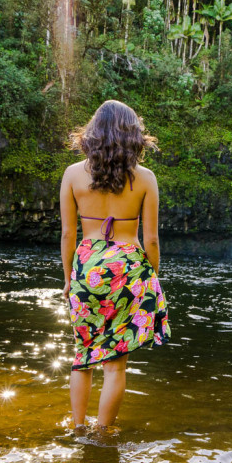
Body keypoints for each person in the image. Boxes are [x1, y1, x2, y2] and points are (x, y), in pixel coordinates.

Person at [59, 100, 170, 435]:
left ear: (92, 133)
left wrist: (68, 279)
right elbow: (150, 240)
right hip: (128, 269)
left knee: (83, 356)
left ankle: (79, 428)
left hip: (86, 266)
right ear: (132, 135)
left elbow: (67, 233)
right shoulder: (146, 179)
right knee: (115, 365)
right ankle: (103, 433)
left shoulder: (73, 174)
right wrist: (151, 277)